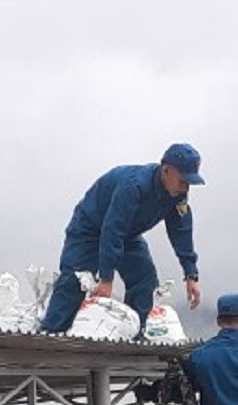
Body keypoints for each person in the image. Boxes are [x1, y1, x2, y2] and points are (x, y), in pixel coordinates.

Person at [40, 143, 204, 335]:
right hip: (90, 229)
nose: (186, 186)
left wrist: (191, 274)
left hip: (128, 235)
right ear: (166, 170)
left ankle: (132, 333)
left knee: (145, 280)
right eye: (183, 179)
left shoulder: (178, 194)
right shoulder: (134, 186)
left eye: (190, 181)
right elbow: (112, 229)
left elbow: (181, 231)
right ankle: (51, 333)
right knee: (74, 281)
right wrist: (106, 278)